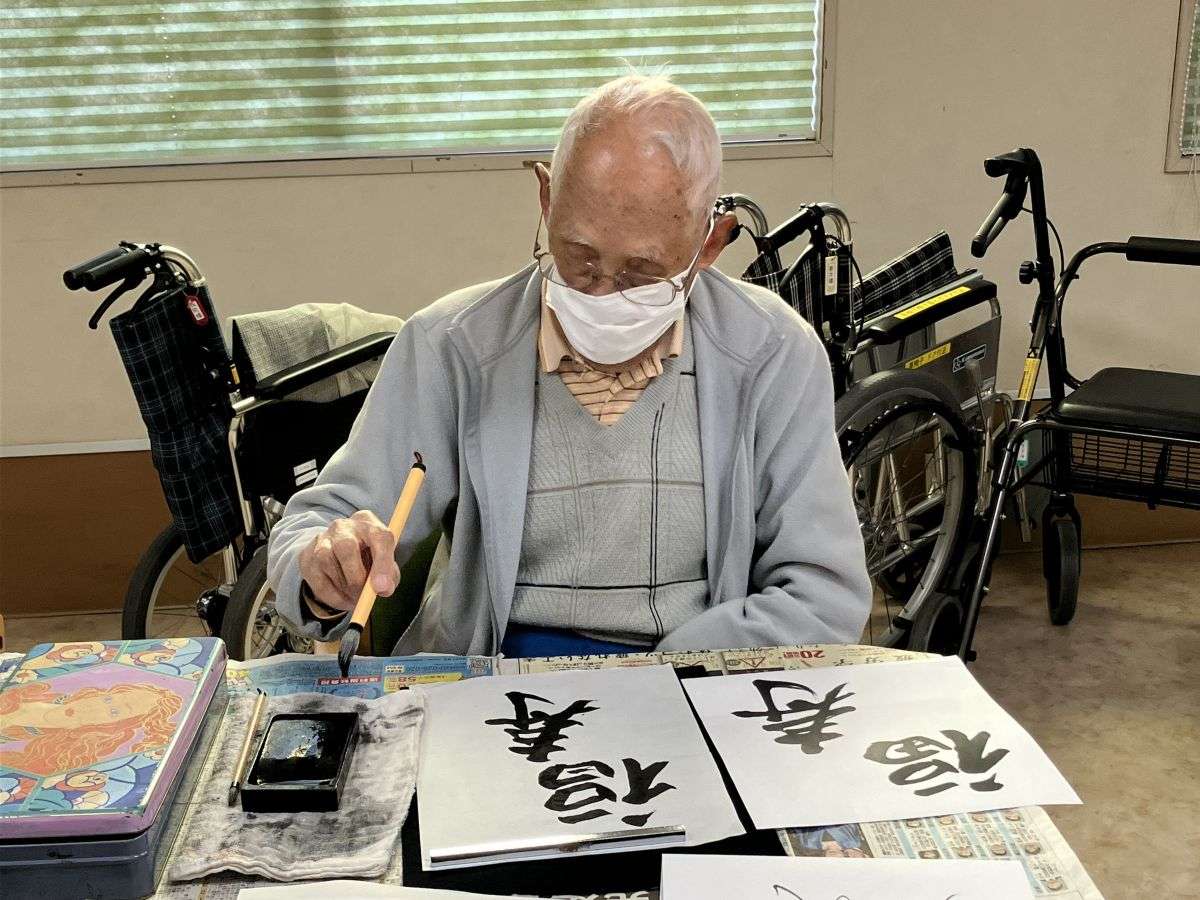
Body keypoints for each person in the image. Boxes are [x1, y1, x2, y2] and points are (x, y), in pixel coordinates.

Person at [267, 74, 870, 657]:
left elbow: (822, 594)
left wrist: (667, 675)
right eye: (579, 259)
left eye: (641, 274)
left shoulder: (771, 354)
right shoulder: (452, 346)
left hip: (692, 677)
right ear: (546, 197)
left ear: (708, 244)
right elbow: (324, 521)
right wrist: (325, 567)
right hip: (493, 679)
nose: (602, 293)